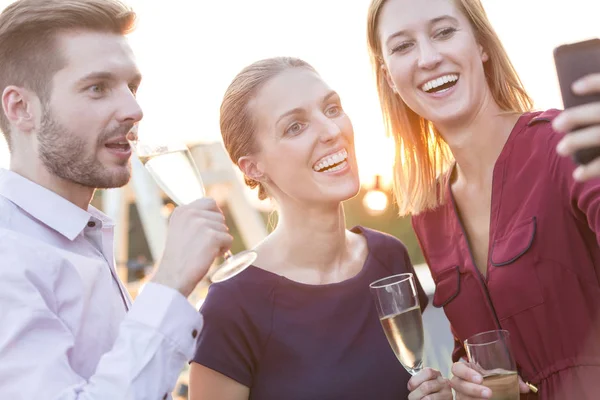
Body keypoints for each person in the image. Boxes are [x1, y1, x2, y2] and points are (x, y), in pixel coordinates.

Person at [366, 0, 600, 399]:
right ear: (389, 78)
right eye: (403, 46)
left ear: (482, 45)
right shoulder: (430, 213)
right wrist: (465, 387)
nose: (428, 57)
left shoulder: (563, 145)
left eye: (443, 32)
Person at [0, 1, 232, 399]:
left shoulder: (83, 238)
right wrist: (170, 283)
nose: (133, 109)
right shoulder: (9, 253)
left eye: (132, 87)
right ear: (21, 108)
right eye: (97, 88)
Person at [187, 57, 452, 400]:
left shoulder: (389, 258)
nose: (331, 131)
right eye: (295, 127)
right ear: (253, 167)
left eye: (331, 108)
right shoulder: (232, 304)